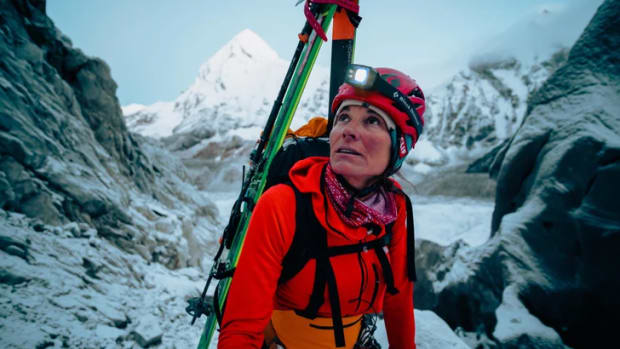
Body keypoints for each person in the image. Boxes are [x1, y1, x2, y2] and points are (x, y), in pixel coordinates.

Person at [217, 65, 426, 349]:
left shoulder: (394, 206)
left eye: (372, 121)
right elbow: (241, 330)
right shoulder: (283, 204)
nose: (348, 131)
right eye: (343, 117)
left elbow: (398, 298)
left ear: (399, 146)